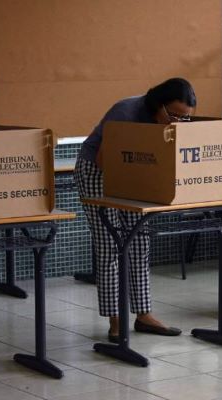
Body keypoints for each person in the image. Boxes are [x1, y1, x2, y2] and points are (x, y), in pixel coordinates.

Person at [75, 78, 196, 342]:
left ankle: (144, 314)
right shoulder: (126, 112)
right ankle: (116, 320)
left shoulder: (168, 122)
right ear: (159, 104)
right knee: (110, 246)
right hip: (97, 171)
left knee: (139, 242)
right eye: (173, 114)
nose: (177, 122)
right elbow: (104, 159)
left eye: (184, 118)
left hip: (135, 174)